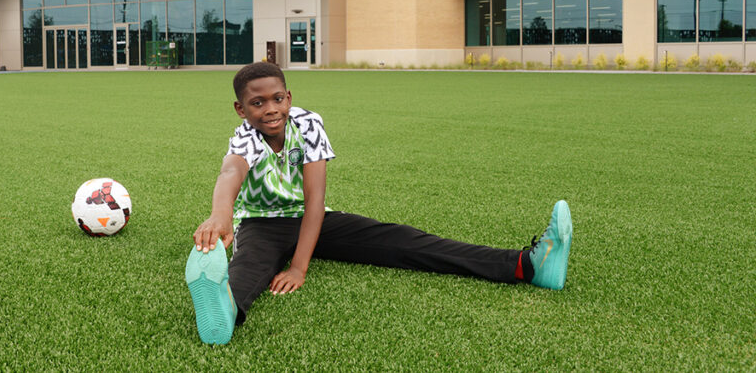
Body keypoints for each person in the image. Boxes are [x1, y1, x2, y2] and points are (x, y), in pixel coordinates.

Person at [185, 62, 573, 345]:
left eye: (277, 98)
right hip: (260, 224)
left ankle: (528, 266)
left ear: (289, 96)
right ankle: (225, 313)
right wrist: (221, 215)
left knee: (405, 241)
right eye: (257, 103)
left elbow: (315, 200)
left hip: (314, 218)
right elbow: (230, 173)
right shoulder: (245, 137)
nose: (270, 109)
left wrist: (300, 267)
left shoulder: (307, 123)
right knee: (248, 268)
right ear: (241, 109)